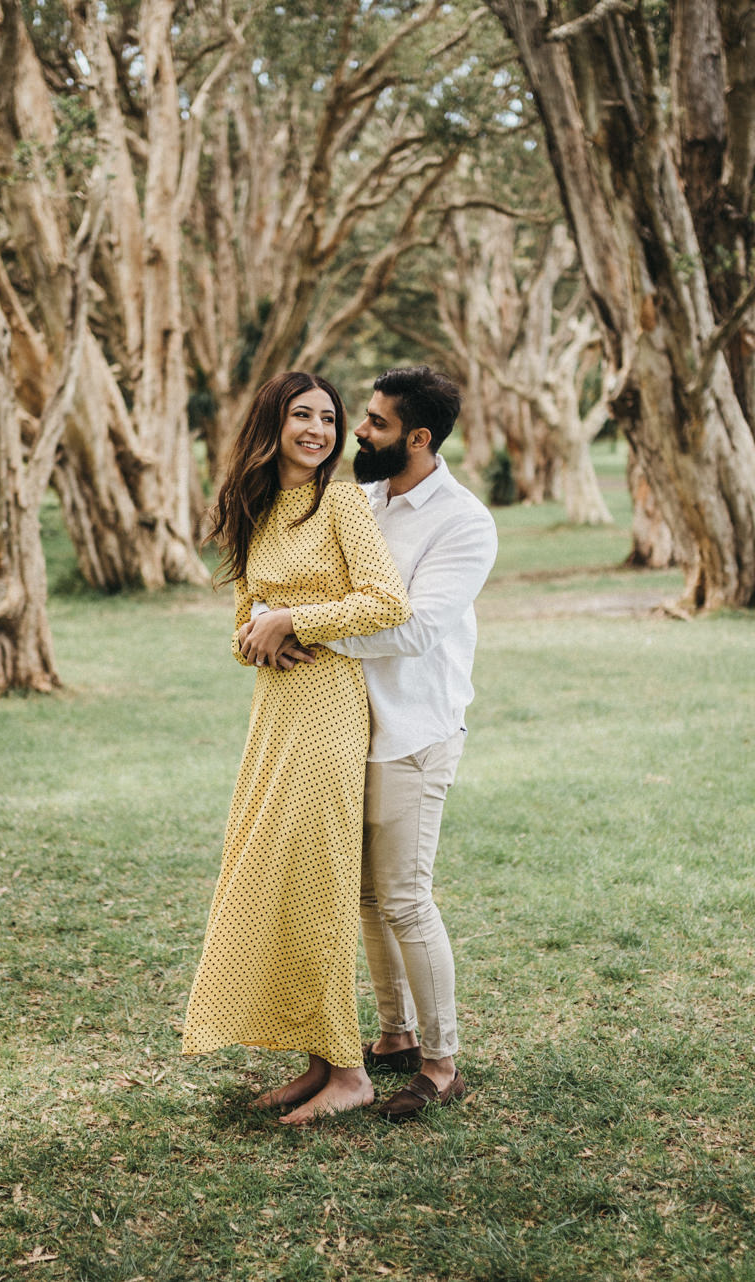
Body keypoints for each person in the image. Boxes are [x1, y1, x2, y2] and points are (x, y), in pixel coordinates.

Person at [241, 366, 499, 1123]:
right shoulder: (356, 499)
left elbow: (413, 626)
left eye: (376, 424)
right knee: (360, 899)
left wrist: (298, 622)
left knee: (406, 898)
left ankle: (442, 1062)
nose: (358, 431)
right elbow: (303, 576)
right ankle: (392, 1037)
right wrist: (270, 619)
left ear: (417, 439)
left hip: (414, 730)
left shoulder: (462, 521)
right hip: (342, 728)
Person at [181, 370, 412, 1126]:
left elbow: (386, 602)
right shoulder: (252, 507)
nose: (317, 429)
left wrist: (297, 623)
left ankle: (351, 1072)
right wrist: (260, 641)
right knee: (274, 869)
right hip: (274, 708)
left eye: (328, 418)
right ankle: (317, 1058)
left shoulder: (340, 501)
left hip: (330, 706)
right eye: (301, 415)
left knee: (317, 878)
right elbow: (246, 617)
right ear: (273, 422)